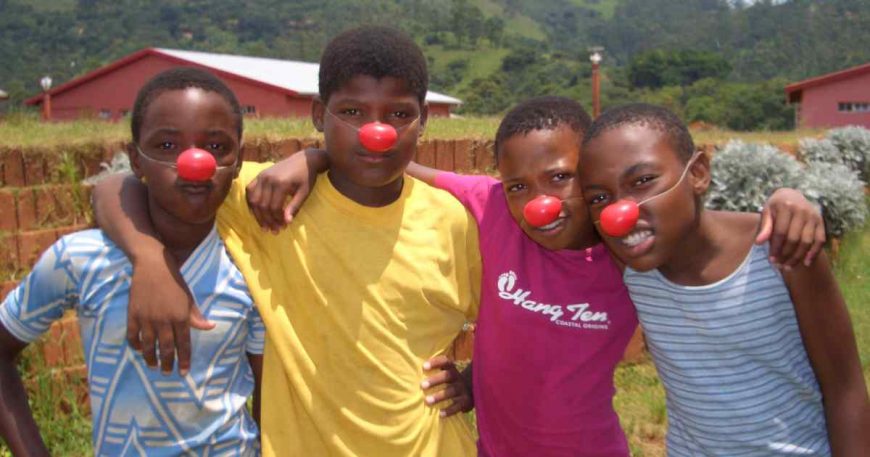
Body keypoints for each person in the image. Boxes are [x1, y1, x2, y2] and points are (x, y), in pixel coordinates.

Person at [246, 96, 828, 456]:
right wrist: (316, 155)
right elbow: (394, 159)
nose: (539, 204)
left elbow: (693, 228)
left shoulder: (628, 252)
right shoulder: (493, 206)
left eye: (561, 179)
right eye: (520, 186)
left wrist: (786, 198)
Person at [92, 26, 480, 456]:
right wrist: (149, 257)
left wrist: (471, 383)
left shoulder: (453, 222)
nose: (376, 132)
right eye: (352, 112)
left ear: (424, 118)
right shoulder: (271, 199)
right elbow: (118, 186)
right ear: (318, 114)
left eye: (399, 114)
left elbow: (523, 319)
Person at [579, 103, 870, 456]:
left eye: (642, 181)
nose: (619, 214)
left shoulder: (781, 251)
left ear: (698, 172)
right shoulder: (629, 262)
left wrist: (787, 198)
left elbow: (845, 388)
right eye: (599, 198)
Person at [0, 67, 264, 456]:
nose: (195, 162)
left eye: (216, 147)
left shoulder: (251, 267)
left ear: (238, 161)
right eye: (167, 146)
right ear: (136, 161)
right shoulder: (81, 258)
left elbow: (271, 406)